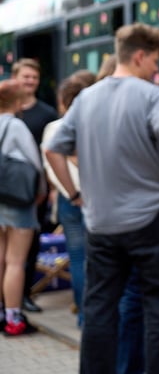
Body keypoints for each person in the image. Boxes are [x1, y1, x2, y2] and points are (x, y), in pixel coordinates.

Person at [44, 23, 159, 374]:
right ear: (140, 56)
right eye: (155, 64)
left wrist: (74, 192)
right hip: (151, 221)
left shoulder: (86, 98)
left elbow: (54, 150)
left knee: (100, 308)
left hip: (101, 224)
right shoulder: (151, 95)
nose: (156, 72)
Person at [40, 70, 97, 328]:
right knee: (98, 258)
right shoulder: (95, 125)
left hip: (68, 199)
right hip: (96, 197)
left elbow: (49, 167)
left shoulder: (53, 128)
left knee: (77, 258)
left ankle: (84, 316)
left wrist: (69, 193)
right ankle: (99, 314)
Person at [11, 58, 58, 314]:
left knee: (30, 246)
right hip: (6, 190)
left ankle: (24, 295)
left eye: (34, 77)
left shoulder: (47, 113)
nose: (30, 81)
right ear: (15, 77)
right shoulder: (6, 110)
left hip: (33, 191)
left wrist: (50, 188)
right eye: (25, 76)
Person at [0, 79, 47, 336]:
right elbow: (35, 162)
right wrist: (40, 192)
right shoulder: (16, 126)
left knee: (0, 257)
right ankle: (13, 318)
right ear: (17, 102)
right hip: (17, 200)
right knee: (16, 261)